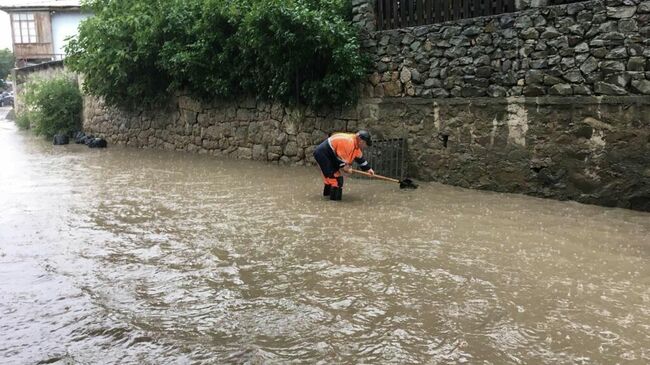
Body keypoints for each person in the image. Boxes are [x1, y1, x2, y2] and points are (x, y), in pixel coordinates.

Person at [313, 130, 375, 201]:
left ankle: (327, 199)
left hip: (330, 155)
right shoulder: (349, 143)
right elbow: (342, 163)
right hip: (323, 154)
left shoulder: (355, 144)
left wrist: (368, 169)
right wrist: (347, 169)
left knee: (331, 179)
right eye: (365, 144)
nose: (365, 147)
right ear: (361, 141)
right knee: (336, 180)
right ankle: (334, 205)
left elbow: (360, 159)